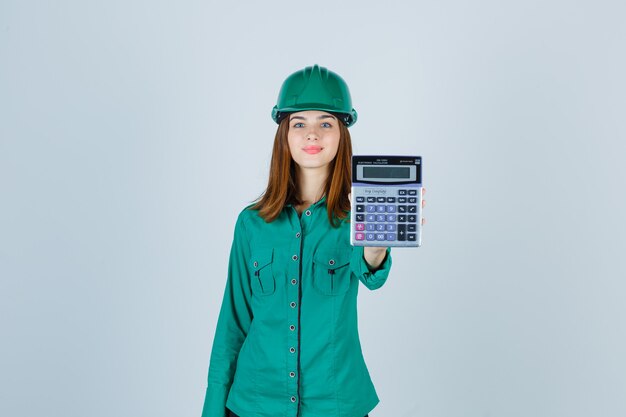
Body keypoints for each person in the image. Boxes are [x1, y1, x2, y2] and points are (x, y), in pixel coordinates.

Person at [201, 64, 426, 417]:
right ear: (284, 135)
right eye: (299, 123)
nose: (312, 135)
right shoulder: (251, 224)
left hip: (335, 404)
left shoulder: (357, 217)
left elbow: (372, 272)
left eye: (325, 123)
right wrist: (213, 408)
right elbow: (233, 323)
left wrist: (377, 247)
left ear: (342, 133)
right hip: (255, 404)